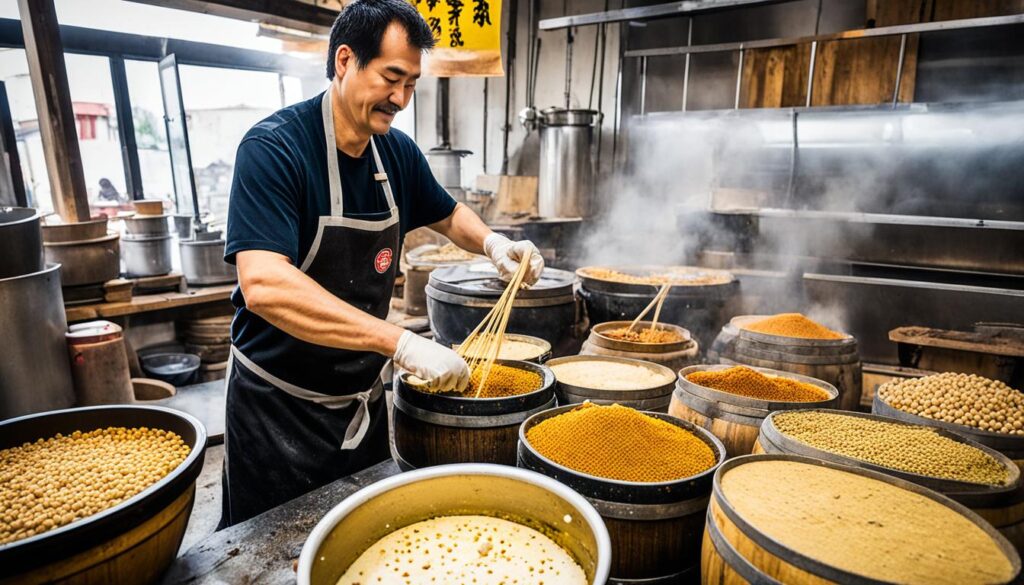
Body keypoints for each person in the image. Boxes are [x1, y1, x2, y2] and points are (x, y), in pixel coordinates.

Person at [220, 0, 544, 527]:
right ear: (345, 61)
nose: (401, 98)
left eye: (412, 83)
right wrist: (400, 342)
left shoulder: (394, 153)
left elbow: (448, 212)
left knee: (365, 540)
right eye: (392, 78)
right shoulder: (274, 149)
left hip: (360, 401)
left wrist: (493, 244)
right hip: (278, 410)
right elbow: (265, 285)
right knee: (266, 555)